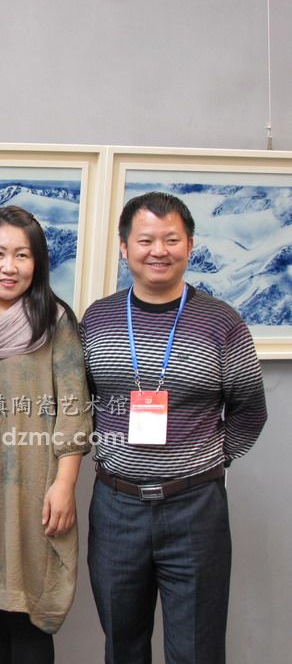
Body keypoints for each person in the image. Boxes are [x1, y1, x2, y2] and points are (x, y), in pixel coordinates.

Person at [80, 191, 268, 664]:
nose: (158, 251)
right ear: (124, 247)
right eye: (146, 240)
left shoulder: (221, 322)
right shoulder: (98, 318)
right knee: (122, 644)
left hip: (194, 508)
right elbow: (80, 402)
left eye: (171, 239)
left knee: (196, 649)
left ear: (190, 245)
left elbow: (249, 409)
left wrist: (206, 460)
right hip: (116, 506)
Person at [0, 206, 92, 664]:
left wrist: (65, 484)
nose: (9, 267)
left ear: (38, 262)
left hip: (37, 485)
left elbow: (74, 408)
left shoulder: (54, 321)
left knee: (29, 613)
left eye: (22, 255)